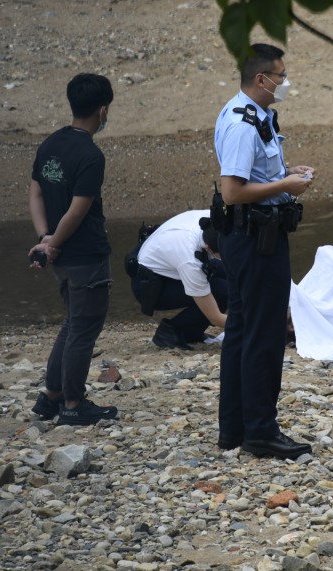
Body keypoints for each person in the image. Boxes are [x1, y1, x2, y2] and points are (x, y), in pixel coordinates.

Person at [212, 43, 315, 460]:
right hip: (255, 239)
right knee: (264, 336)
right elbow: (232, 191)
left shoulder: (257, 117)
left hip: (251, 235)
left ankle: (234, 428)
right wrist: (286, 187)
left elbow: (256, 174)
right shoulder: (241, 123)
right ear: (261, 79)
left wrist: (286, 175)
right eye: (280, 74)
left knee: (241, 330)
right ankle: (260, 432)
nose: (285, 82)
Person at [26, 73, 118, 426]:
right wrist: (54, 242)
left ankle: (52, 394)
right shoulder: (90, 155)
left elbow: (35, 193)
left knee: (72, 324)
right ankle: (74, 404)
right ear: (103, 109)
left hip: (61, 255)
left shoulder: (50, 144)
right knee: (83, 329)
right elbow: (78, 210)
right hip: (85, 255)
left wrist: (45, 238)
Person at [129, 210, 228, 350]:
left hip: (168, 263)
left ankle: (192, 333)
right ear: (208, 248)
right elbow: (215, 317)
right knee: (222, 291)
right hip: (150, 284)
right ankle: (170, 332)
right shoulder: (190, 261)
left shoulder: (215, 219)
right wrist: (251, 325)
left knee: (230, 273)